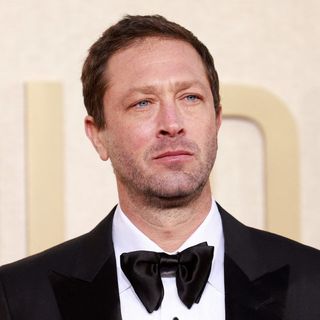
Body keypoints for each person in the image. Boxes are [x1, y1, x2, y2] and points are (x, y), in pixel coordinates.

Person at [0, 14, 320, 320]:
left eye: (190, 97)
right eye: (143, 102)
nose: (172, 124)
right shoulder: (17, 296)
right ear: (98, 135)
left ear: (217, 120)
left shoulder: (313, 282)